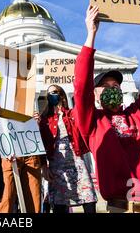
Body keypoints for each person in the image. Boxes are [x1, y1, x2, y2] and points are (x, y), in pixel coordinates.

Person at [73, 3, 140, 213]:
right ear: (95, 93)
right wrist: (91, 34)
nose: (112, 89)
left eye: (116, 86)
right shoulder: (92, 123)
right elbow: (81, 86)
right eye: (105, 86)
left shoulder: (138, 114)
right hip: (124, 206)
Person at [34, 84, 97, 213]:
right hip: (56, 166)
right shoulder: (45, 120)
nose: (52, 95)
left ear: (62, 95)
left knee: (88, 198)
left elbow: (84, 103)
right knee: (59, 204)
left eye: (55, 92)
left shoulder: (73, 114)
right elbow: (40, 144)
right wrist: (43, 166)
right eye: (49, 94)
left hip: (76, 160)